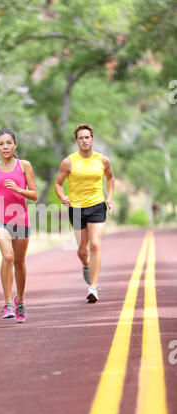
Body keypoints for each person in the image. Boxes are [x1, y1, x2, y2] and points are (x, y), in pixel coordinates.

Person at [54, 124, 115, 303]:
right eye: (81, 138)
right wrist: (61, 196)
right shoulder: (68, 162)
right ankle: (86, 265)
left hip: (97, 205)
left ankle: (93, 287)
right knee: (83, 250)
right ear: (77, 141)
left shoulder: (102, 160)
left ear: (92, 139)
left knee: (95, 244)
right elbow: (58, 183)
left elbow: (110, 178)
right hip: (77, 208)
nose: (84, 140)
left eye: (87, 137)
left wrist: (109, 198)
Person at [0, 129, 37, 322]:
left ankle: (20, 301)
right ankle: (7, 303)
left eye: (8, 143)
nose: (5, 147)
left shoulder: (24, 166)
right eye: (1, 144)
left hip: (20, 219)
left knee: (19, 262)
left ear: (15, 145)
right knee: (7, 256)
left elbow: (35, 194)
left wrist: (18, 189)